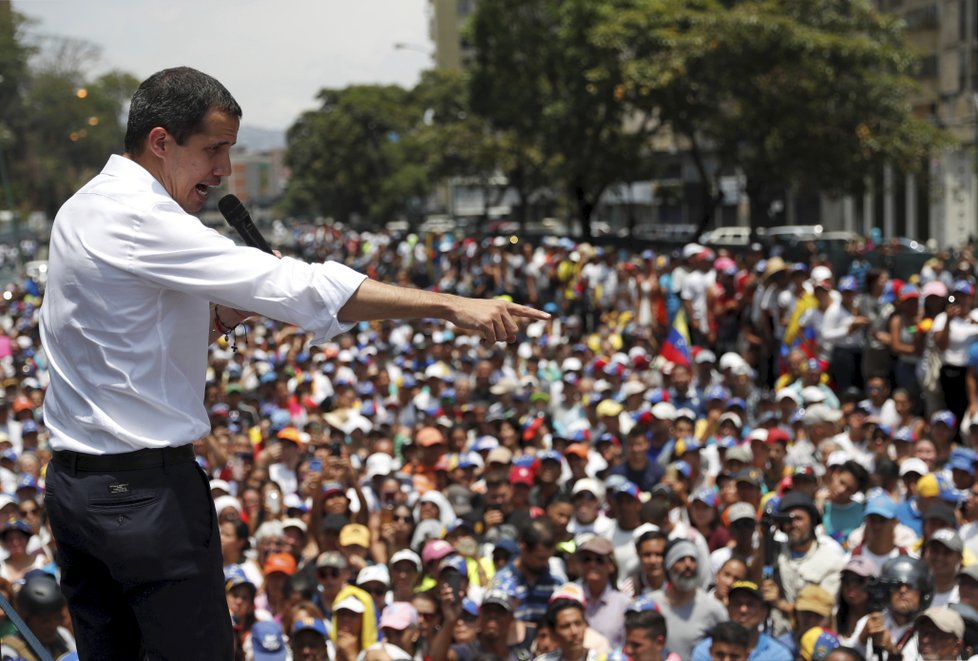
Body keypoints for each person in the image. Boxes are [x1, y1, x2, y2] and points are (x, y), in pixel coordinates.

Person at [38, 67, 548, 659]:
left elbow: (134, 339)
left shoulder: (81, 207)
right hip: (144, 499)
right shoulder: (141, 216)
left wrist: (229, 314)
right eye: (213, 150)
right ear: (160, 142)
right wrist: (448, 305)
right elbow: (300, 287)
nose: (223, 170)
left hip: (77, 492)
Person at [648, 539, 727, 660]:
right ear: (668, 567)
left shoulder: (713, 608)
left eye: (693, 559)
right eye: (680, 560)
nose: (688, 565)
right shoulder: (651, 603)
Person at [846, 555, 933, 660]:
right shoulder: (869, 621)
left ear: (923, 593)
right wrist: (862, 638)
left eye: (910, 586)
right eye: (897, 586)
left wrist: (892, 651)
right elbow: (843, 657)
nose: (902, 591)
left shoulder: (931, 629)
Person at [690, 581, 791, 661]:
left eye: (750, 604)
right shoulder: (704, 651)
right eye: (737, 603)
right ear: (727, 609)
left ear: (764, 612)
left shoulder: (779, 656)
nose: (743, 610)